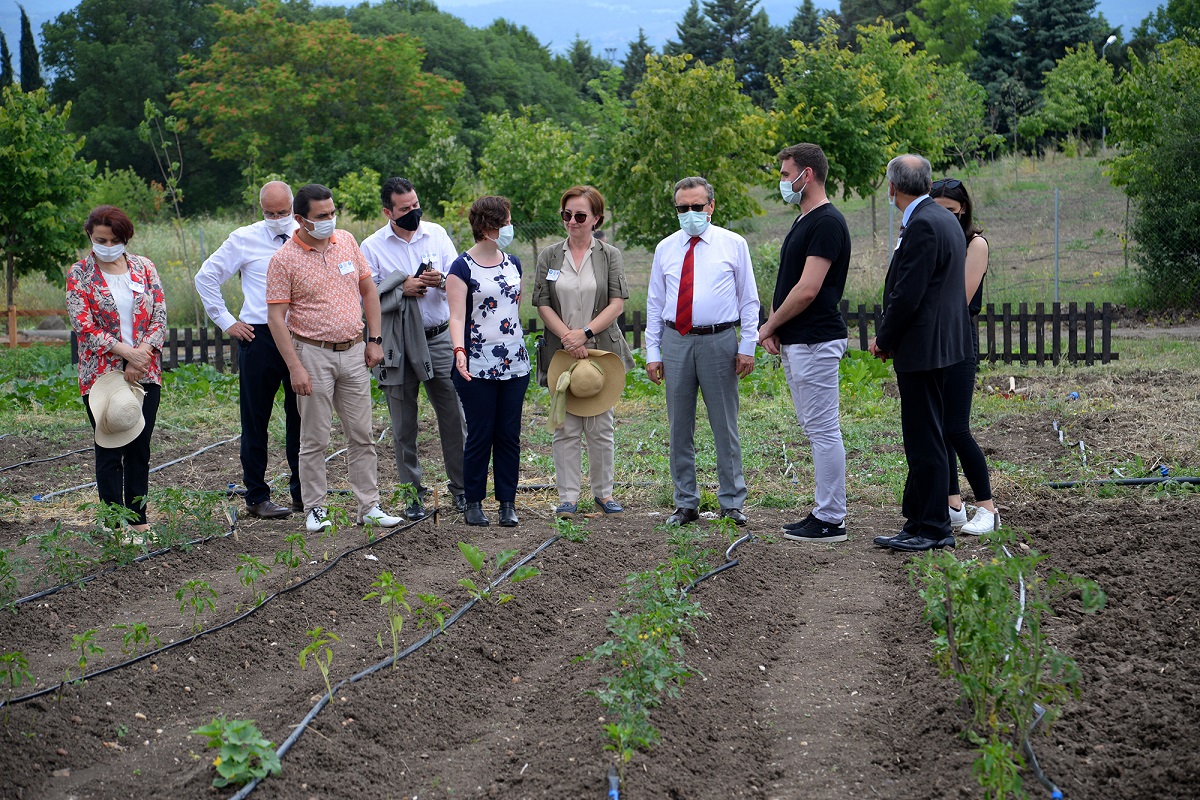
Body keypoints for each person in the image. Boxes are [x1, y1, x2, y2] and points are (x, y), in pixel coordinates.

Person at [265, 183, 402, 533]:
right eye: (321, 216)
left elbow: (368, 289)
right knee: (314, 437)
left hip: (354, 351)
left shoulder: (346, 241)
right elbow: (276, 319)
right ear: (300, 219)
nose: (329, 220)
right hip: (312, 353)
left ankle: (369, 505)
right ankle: (315, 508)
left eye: (332, 212)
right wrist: (295, 366)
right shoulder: (284, 260)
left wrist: (374, 339)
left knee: (362, 433)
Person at [869, 155, 971, 552]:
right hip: (941, 345)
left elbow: (907, 294)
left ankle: (933, 527)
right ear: (927, 184)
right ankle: (918, 519)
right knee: (926, 434)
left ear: (892, 187)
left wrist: (884, 337)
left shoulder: (923, 224)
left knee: (924, 437)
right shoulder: (943, 219)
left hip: (924, 347)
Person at [645, 176, 759, 527]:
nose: (690, 213)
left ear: (711, 206)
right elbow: (654, 302)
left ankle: (732, 501)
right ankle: (686, 502)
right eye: (683, 208)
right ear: (676, 209)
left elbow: (749, 298)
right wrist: (653, 350)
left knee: (724, 424)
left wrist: (748, 345)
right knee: (679, 426)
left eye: (697, 206)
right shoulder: (666, 248)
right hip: (676, 340)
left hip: (719, 340)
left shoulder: (733, 244)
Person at [758, 144, 852, 544]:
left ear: (806, 175)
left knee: (823, 429)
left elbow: (808, 289)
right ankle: (823, 511)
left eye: (785, 174)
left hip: (816, 340)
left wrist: (768, 325)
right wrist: (779, 328)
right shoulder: (805, 220)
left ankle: (831, 518)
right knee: (815, 428)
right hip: (800, 340)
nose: (782, 181)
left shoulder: (827, 223)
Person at [360, 177, 467, 520]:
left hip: (437, 338)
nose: (414, 212)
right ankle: (413, 496)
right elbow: (366, 296)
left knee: (454, 419)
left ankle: (463, 492)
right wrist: (400, 288)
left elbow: (458, 277)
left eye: (416, 205)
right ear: (387, 211)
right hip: (398, 343)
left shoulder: (435, 233)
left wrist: (439, 279)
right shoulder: (372, 246)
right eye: (405, 209)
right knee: (403, 425)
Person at [194, 181, 301, 519]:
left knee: (302, 417)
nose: (277, 218)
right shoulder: (244, 238)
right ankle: (257, 495)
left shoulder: (309, 234)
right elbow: (206, 276)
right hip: (260, 336)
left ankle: (304, 493)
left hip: (300, 334)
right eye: (269, 213)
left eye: (282, 212)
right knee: (255, 420)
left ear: (293, 207)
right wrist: (227, 321)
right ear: (261, 210)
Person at [533, 185, 635, 516]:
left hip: (600, 352)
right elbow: (543, 304)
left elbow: (617, 304)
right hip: (563, 353)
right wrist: (568, 337)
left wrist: (585, 333)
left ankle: (604, 493)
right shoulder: (549, 256)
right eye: (567, 215)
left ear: (596, 219)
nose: (572, 222)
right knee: (565, 426)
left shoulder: (610, 255)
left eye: (579, 216)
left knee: (601, 427)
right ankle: (568, 497)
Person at [66, 205, 167, 538]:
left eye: (113, 239)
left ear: (125, 238)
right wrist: (126, 354)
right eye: (100, 239)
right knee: (109, 447)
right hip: (102, 376)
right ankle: (113, 522)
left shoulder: (144, 268)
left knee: (139, 445)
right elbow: (83, 325)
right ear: (90, 237)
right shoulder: (80, 273)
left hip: (146, 370)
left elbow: (160, 315)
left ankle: (138, 518)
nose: (106, 244)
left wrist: (143, 355)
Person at [447, 195, 531, 528]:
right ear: (489, 226)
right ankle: (473, 501)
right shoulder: (461, 267)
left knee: (509, 434)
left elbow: (513, 307)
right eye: (507, 221)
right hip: (476, 364)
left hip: (514, 363)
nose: (510, 227)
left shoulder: (514, 263)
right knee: (481, 433)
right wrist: (459, 352)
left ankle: (507, 502)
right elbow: (455, 317)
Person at [930, 177, 1000, 535]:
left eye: (952, 213)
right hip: (932, 339)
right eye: (938, 211)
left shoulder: (976, 244)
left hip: (958, 338)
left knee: (956, 427)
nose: (945, 219)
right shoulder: (931, 241)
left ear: (964, 212)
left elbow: (958, 296)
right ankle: (953, 503)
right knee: (939, 426)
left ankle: (986, 508)